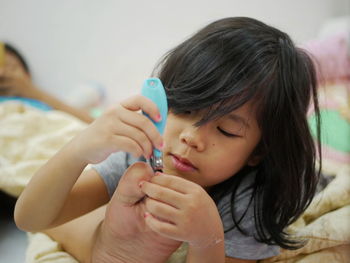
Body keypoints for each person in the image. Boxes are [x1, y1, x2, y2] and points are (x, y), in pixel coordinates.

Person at [14, 17, 321, 263]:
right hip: (107, 231)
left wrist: (208, 237)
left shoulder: (250, 198)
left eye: (226, 130)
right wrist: (79, 149)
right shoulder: (140, 158)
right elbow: (29, 218)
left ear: (259, 151)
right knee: (64, 219)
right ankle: (99, 245)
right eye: (184, 109)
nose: (191, 137)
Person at [0, 42, 94, 123]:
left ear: (27, 76)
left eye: (11, 67)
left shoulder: (42, 104)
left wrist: (33, 92)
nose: (2, 73)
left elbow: (94, 126)